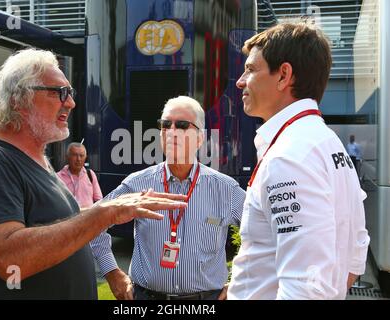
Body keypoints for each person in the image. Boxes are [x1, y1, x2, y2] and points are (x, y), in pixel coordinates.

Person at [0, 49, 187, 300]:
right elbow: (11, 261)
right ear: (19, 99)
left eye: (70, 93)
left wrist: (113, 209)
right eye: (59, 92)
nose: (71, 103)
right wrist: (103, 213)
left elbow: (58, 220)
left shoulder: (36, 160)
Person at [227, 22, 370, 300]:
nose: (241, 81)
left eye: (251, 69)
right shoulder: (326, 142)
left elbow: (306, 291)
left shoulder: (289, 156)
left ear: (283, 75)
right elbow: (353, 259)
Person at [91, 96, 245, 300]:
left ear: (200, 138)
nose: (171, 131)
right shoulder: (137, 184)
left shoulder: (226, 189)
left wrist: (239, 280)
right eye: (165, 125)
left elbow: (264, 234)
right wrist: (112, 273)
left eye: (182, 125)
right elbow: (93, 224)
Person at [57, 142, 103, 208]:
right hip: (70, 218)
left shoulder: (90, 174)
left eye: (81, 155)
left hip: (88, 217)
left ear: (85, 157)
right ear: (67, 157)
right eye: (75, 155)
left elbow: (99, 200)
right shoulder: (58, 178)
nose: (78, 159)